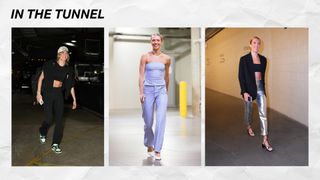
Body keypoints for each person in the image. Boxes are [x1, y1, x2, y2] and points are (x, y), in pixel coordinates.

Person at [36, 46, 77, 154]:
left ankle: (55, 144)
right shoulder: (50, 64)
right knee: (49, 119)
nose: (65, 54)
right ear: (58, 54)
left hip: (58, 94)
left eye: (66, 53)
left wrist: (74, 100)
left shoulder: (68, 69)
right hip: (48, 93)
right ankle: (42, 131)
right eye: (62, 53)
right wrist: (38, 93)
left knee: (59, 121)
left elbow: (71, 85)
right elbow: (41, 78)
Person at [139, 33, 171, 160]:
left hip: (161, 91)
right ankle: (149, 143)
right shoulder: (145, 57)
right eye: (153, 40)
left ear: (161, 42)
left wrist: (166, 91)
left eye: (158, 40)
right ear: (151, 42)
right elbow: (141, 75)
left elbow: (167, 76)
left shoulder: (167, 59)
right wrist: (141, 92)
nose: (155, 42)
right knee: (148, 121)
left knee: (161, 120)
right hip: (148, 90)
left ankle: (158, 149)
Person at [238, 36, 273, 152]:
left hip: (260, 89)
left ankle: (265, 139)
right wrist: (244, 91)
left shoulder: (264, 59)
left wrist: (262, 87)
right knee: (248, 111)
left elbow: (262, 76)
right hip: (249, 89)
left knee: (263, 114)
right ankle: (248, 126)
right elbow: (241, 76)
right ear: (250, 45)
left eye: (258, 43)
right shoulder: (244, 59)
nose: (256, 45)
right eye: (254, 43)